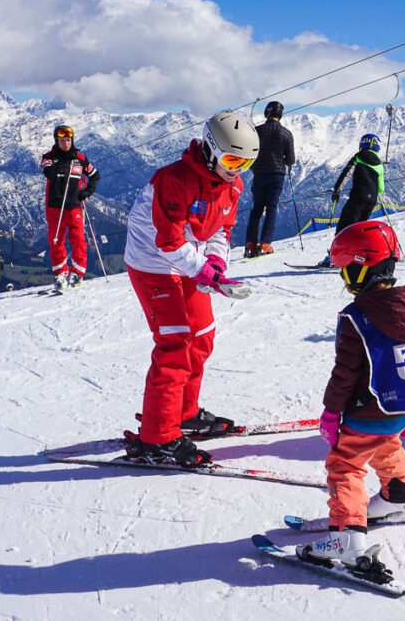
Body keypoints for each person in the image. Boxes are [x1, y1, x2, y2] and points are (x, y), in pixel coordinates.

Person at [300, 220, 405, 569]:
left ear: (361, 266)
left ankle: (346, 540)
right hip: (399, 406)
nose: (343, 277)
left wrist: (332, 413)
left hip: (367, 410)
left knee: (345, 464)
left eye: (346, 269)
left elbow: (345, 374)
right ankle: (402, 496)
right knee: (386, 445)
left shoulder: (357, 317)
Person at [122, 111, 258, 467]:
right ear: (211, 150)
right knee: (175, 342)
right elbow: (167, 242)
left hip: (187, 258)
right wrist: (204, 272)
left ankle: (184, 413)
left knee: (203, 335)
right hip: (152, 260)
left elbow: (219, 231)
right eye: (231, 159)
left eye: (246, 162)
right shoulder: (174, 180)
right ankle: (158, 437)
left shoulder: (232, 185)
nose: (237, 169)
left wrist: (215, 264)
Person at [40, 125, 100, 291]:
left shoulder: (80, 158)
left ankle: (77, 273)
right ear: (56, 141)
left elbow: (95, 175)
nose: (66, 143)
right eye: (62, 140)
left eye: (68, 140)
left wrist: (87, 192)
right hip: (55, 207)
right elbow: (48, 173)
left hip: (74, 206)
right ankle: (61, 274)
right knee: (56, 241)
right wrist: (62, 162)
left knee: (79, 240)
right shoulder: (49, 157)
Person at [316, 133, 385, 266]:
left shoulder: (358, 157)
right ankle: (355, 258)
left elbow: (346, 174)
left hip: (357, 197)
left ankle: (333, 258)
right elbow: (381, 188)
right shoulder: (379, 165)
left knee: (344, 228)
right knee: (359, 229)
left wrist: (337, 190)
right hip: (371, 202)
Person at [245, 101, 295, 258]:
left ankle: (250, 246)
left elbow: (249, 152)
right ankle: (265, 244)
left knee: (256, 210)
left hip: (259, 174)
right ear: (280, 115)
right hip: (277, 175)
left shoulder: (257, 131)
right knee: (271, 208)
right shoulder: (286, 134)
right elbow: (291, 160)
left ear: (266, 113)